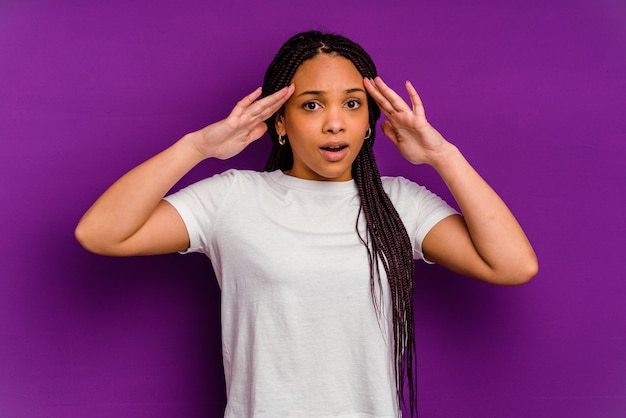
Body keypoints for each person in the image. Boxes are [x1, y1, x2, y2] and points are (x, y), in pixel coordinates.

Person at [75, 31, 538, 418]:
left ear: (370, 122)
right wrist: (197, 147)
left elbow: (513, 266)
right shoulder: (233, 196)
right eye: (312, 106)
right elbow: (100, 233)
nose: (335, 123)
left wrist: (442, 156)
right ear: (281, 121)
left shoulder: (399, 203)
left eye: (353, 104)